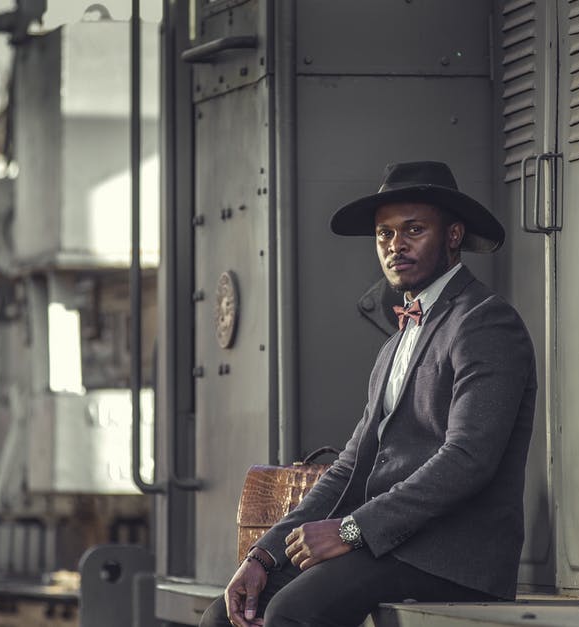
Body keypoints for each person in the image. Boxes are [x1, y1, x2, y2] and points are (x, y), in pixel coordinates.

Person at [200, 161, 538, 627]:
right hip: (389, 545)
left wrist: (353, 529)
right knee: (223, 616)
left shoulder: (484, 322)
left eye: (413, 230)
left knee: (291, 614)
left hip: (453, 555)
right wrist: (262, 556)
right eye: (384, 235)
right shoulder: (396, 343)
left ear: (454, 235)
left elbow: (468, 459)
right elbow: (348, 468)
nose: (395, 246)